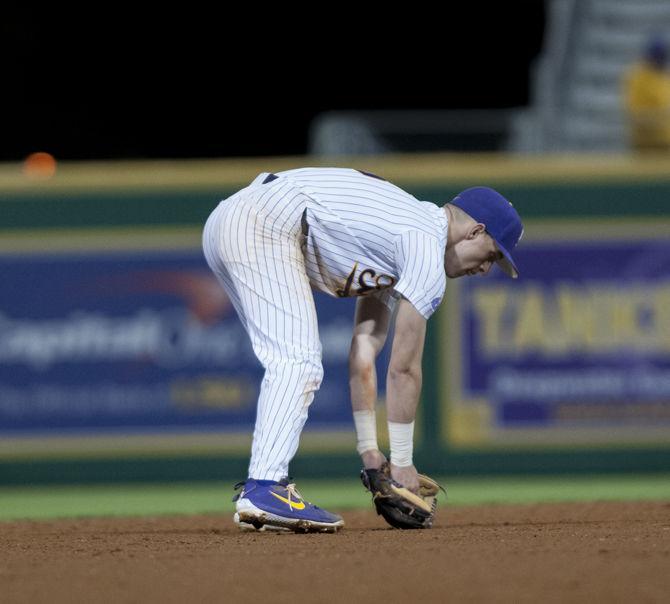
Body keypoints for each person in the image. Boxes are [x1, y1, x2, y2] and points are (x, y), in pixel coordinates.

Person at [202, 167, 524, 533]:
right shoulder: (424, 243)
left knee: (295, 358)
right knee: (298, 359)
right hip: (264, 220)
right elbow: (404, 370)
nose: (485, 269)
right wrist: (402, 463)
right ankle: (263, 488)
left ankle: (264, 486)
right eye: (492, 254)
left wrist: (371, 456)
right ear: (475, 231)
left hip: (237, 220)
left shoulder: (402, 242)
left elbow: (365, 354)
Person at [624, 35, 670, 151]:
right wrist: (661, 115)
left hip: (666, 143)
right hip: (646, 144)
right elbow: (636, 114)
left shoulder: (664, 76)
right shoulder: (637, 77)